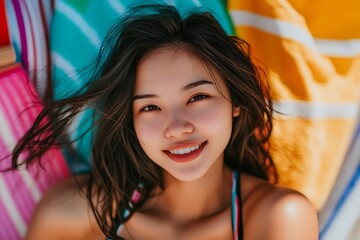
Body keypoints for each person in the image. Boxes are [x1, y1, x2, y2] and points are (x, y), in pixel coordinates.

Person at [12, 4, 318, 240]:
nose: (176, 127)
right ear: (131, 121)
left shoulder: (278, 217)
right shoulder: (74, 212)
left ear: (235, 102)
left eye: (197, 98)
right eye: (150, 107)